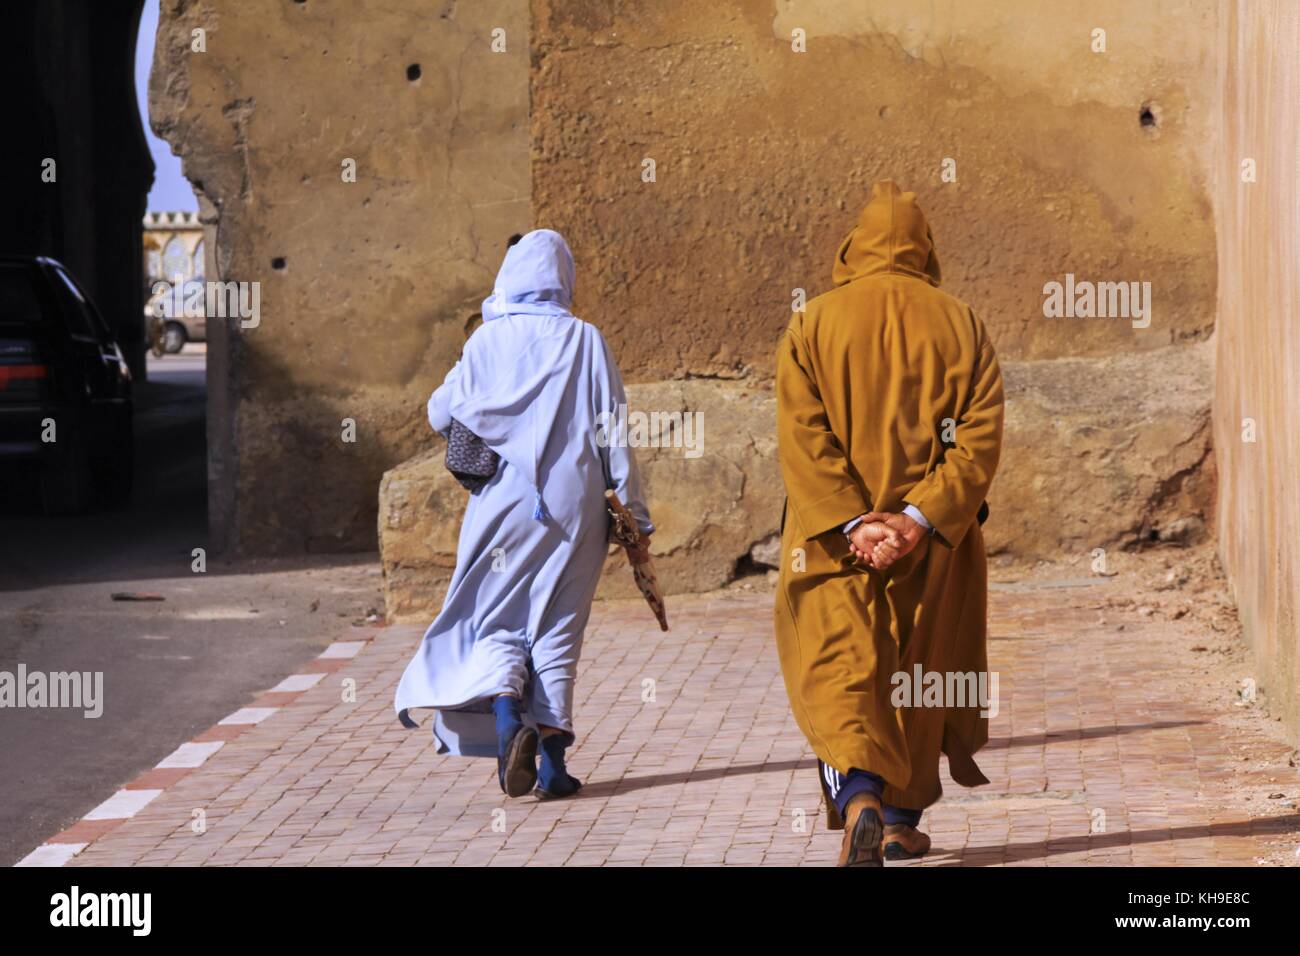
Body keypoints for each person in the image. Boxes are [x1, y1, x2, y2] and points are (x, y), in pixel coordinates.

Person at [774, 180, 1005, 866]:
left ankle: (863, 801)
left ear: (854, 245)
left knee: (839, 668)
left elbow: (803, 437)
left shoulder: (812, 323)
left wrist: (854, 522)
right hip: (931, 546)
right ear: (926, 249)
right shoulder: (961, 322)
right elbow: (978, 440)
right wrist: (915, 518)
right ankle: (901, 821)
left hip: (832, 543)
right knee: (919, 672)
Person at [395, 229, 653, 800]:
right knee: (559, 626)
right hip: (576, 504)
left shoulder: (486, 341)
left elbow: (441, 410)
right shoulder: (585, 339)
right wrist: (634, 513)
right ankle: (553, 767)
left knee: (498, 618)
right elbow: (613, 427)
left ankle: (510, 720)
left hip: (501, 505)